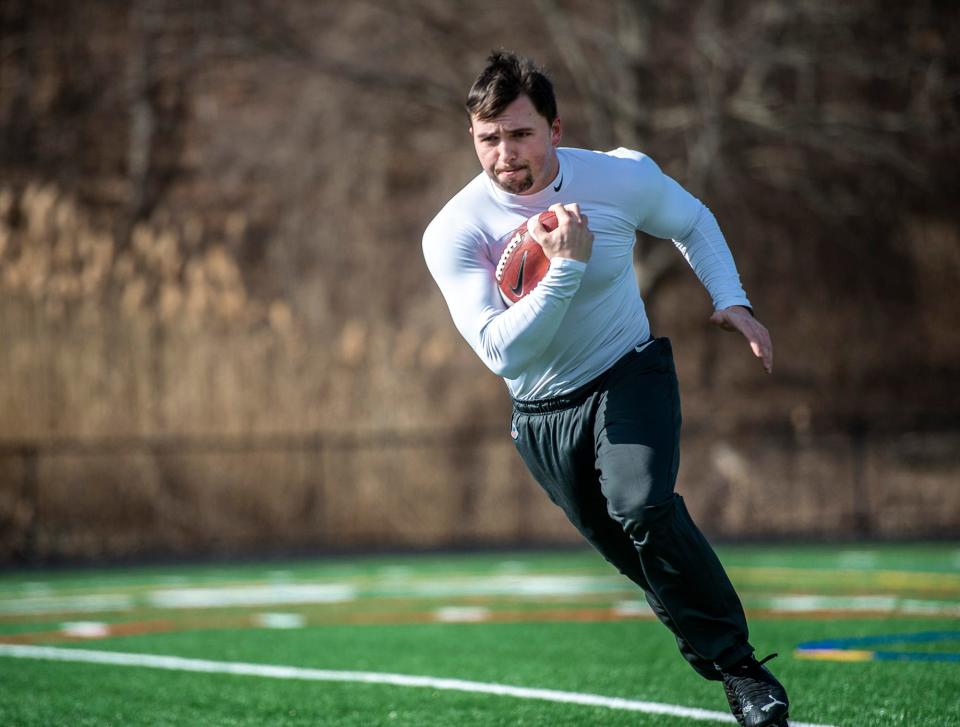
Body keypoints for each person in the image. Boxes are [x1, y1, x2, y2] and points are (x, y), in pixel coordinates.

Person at [422, 51, 790, 727]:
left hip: (628, 373)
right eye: (488, 137)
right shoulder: (455, 229)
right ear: (471, 137)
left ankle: (743, 673)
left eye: (521, 132)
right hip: (541, 415)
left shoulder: (618, 177)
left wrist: (732, 298)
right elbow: (503, 349)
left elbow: (692, 220)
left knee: (642, 505)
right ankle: (711, 647)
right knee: (638, 556)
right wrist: (565, 270)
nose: (506, 153)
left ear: (557, 128)